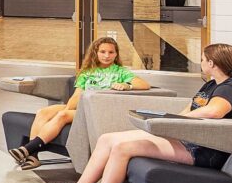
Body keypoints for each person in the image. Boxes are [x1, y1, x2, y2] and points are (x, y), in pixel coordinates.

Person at [52, 43, 232, 183]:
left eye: (202, 59)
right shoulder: (211, 85)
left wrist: (175, 123)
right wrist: (165, 123)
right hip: (187, 139)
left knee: (123, 147)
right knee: (108, 139)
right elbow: (189, 110)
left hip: (203, 150)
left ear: (212, 63)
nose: (201, 63)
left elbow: (215, 111)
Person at [8, 36, 149, 170]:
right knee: (43, 112)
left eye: (111, 52)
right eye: (103, 52)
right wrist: (68, 107)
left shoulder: (120, 72)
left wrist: (126, 85)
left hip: (96, 110)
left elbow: (143, 84)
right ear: (96, 53)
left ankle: (27, 148)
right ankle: (33, 156)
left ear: (116, 54)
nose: (107, 55)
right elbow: (77, 96)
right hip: (81, 106)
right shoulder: (87, 72)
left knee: (63, 116)